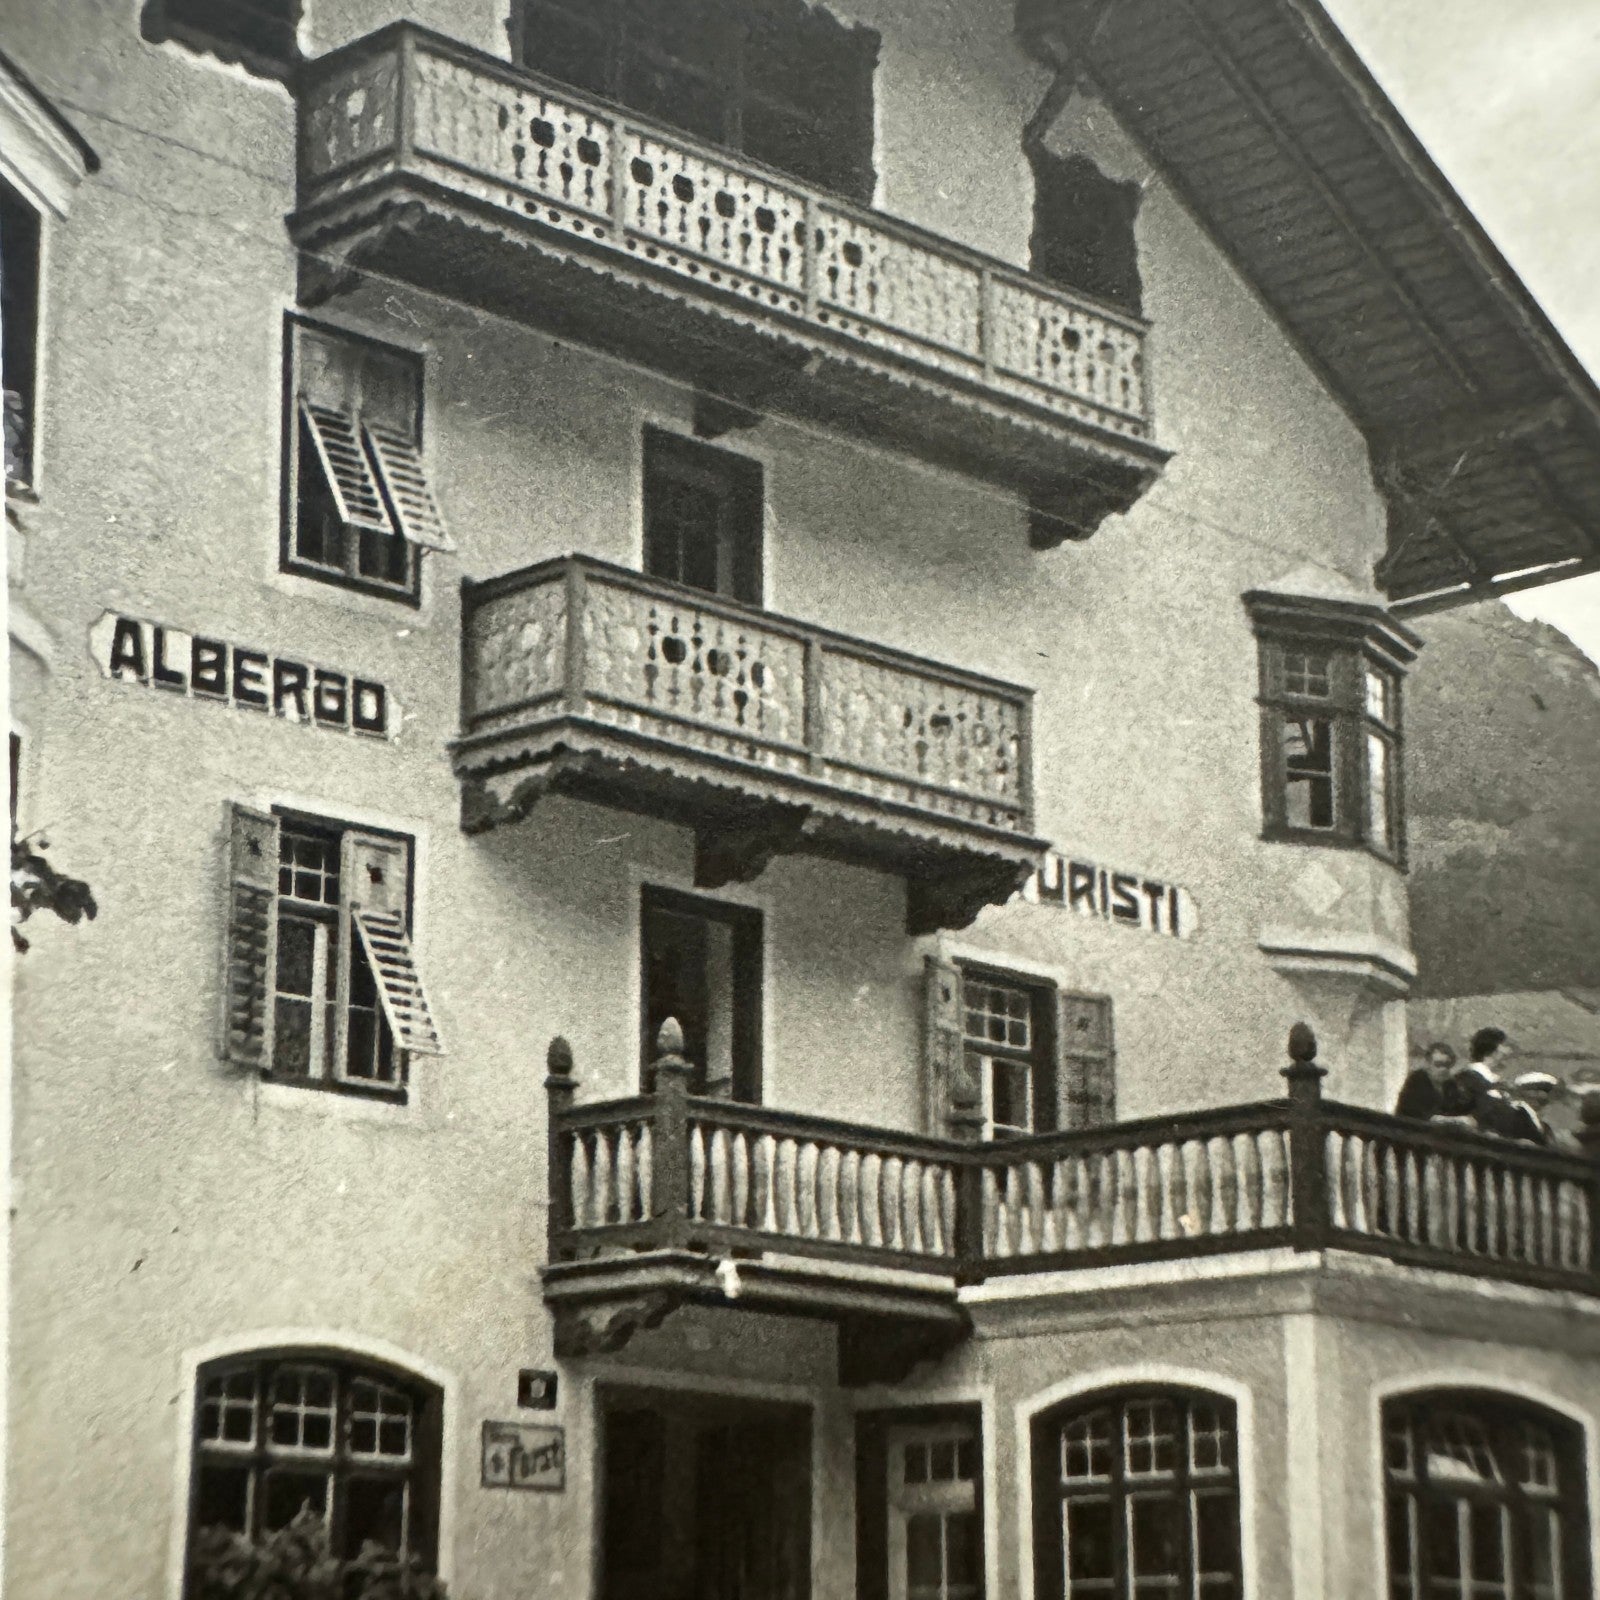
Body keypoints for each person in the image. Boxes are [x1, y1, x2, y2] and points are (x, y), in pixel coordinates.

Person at [1395, 1041, 1468, 1120]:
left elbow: (1459, 1109)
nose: (1443, 1069)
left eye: (1447, 1065)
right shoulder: (1416, 1081)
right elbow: (1418, 1113)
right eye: (1438, 1064)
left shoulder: (1450, 1085)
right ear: (1428, 1064)